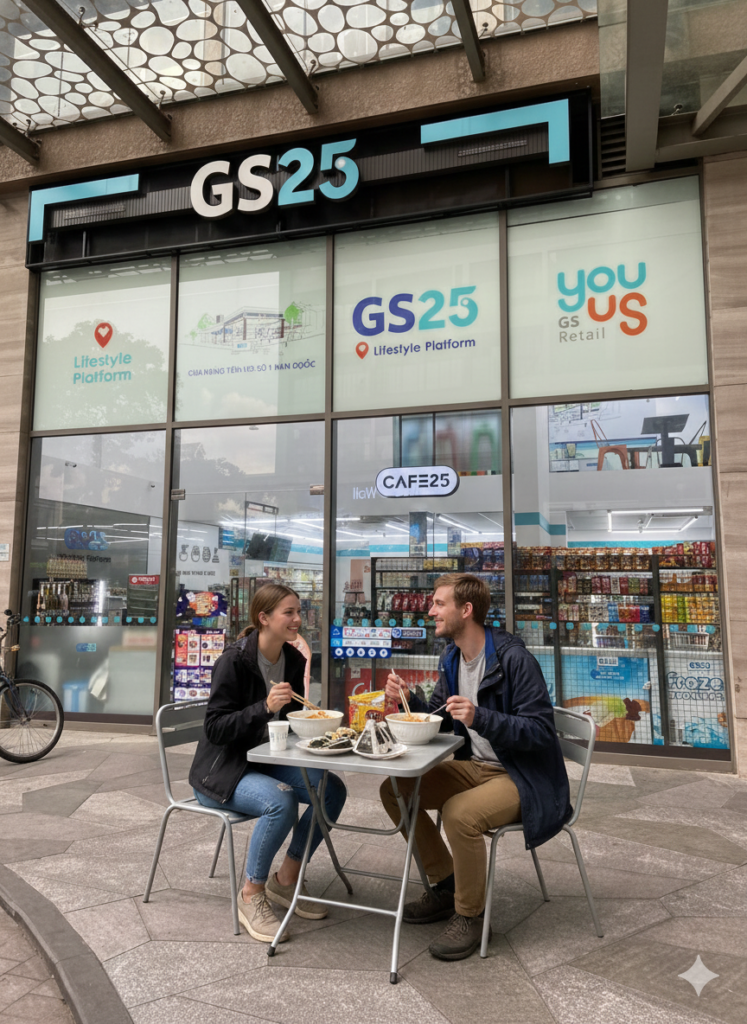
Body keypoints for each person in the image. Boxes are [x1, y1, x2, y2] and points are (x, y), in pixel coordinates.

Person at [380, 573, 571, 961]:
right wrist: (407, 699)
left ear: (465, 610)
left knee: (459, 813)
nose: (430, 610)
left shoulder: (514, 659)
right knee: (396, 789)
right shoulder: (452, 656)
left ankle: (471, 914)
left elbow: (539, 732)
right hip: (476, 767)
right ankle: (448, 886)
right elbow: (439, 716)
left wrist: (481, 717)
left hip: (523, 775)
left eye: (438, 604)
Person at [188, 583, 347, 943]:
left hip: (266, 760)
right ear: (264, 618)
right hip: (222, 771)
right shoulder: (234, 660)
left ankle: (285, 881)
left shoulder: (293, 659)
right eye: (289, 613)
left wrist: (323, 728)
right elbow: (214, 728)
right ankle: (251, 894)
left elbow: (290, 723)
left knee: (331, 789)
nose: (298, 619)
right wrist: (264, 708)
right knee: (282, 800)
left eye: (298, 611)